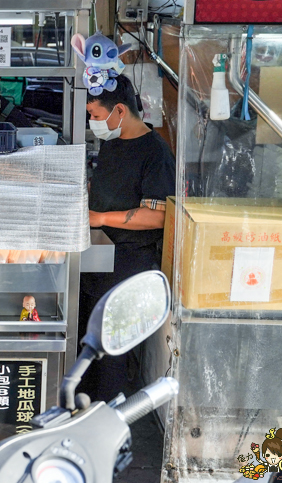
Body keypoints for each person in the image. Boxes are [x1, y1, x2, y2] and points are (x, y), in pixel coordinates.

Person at [78, 74, 176, 400]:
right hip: (99, 254)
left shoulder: (155, 153)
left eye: (94, 114)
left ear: (119, 110)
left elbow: (158, 215)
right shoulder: (112, 141)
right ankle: (83, 405)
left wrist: (102, 218)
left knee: (112, 344)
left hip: (128, 259)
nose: (93, 122)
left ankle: (108, 415)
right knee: (89, 339)